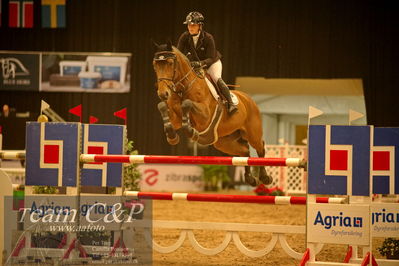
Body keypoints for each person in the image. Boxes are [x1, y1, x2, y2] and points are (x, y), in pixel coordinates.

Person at [177, 11, 238, 115]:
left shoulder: (208, 38)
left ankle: (230, 103)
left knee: (216, 78)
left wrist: (200, 64)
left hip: (211, 63)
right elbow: (179, 54)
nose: (190, 27)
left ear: (200, 26)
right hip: (194, 65)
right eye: (188, 25)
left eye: (193, 25)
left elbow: (210, 58)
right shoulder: (184, 37)